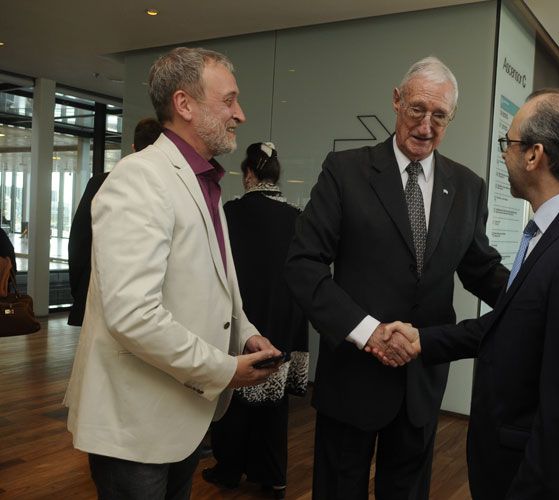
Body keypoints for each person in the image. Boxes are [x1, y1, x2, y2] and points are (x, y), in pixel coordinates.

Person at [376, 89, 559, 499]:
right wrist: (423, 339)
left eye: (509, 143)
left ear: (535, 155)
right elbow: (512, 323)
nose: (504, 154)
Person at [63, 47, 283, 500]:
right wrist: (223, 369)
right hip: (136, 425)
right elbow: (133, 314)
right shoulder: (138, 178)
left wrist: (246, 334)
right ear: (184, 105)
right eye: (229, 100)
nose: (239, 114)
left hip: (182, 416)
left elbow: (218, 285)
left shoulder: (206, 183)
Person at [285, 56, 509, 500]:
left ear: (451, 118)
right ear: (395, 100)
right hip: (352, 377)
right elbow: (304, 264)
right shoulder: (345, 171)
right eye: (417, 110)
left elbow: (480, 268)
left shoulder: (467, 187)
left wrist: (535, 293)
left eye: (439, 115)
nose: (426, 126)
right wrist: (369, 333)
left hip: (420, 383)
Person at [202, 142, 309, 498]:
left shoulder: (231, 212)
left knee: (232, 400)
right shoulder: (297, 217)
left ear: (249, 174)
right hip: (283, 317)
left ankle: (229, 469)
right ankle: (273, 476)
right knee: (274, 407)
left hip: (239, 319)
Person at [67, 117, 164, 326]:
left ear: (132, 148)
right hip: (154, 302)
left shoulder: (100, 183)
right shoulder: (171, 188)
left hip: (100, 292)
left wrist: (79, 289)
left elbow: (79, 241)